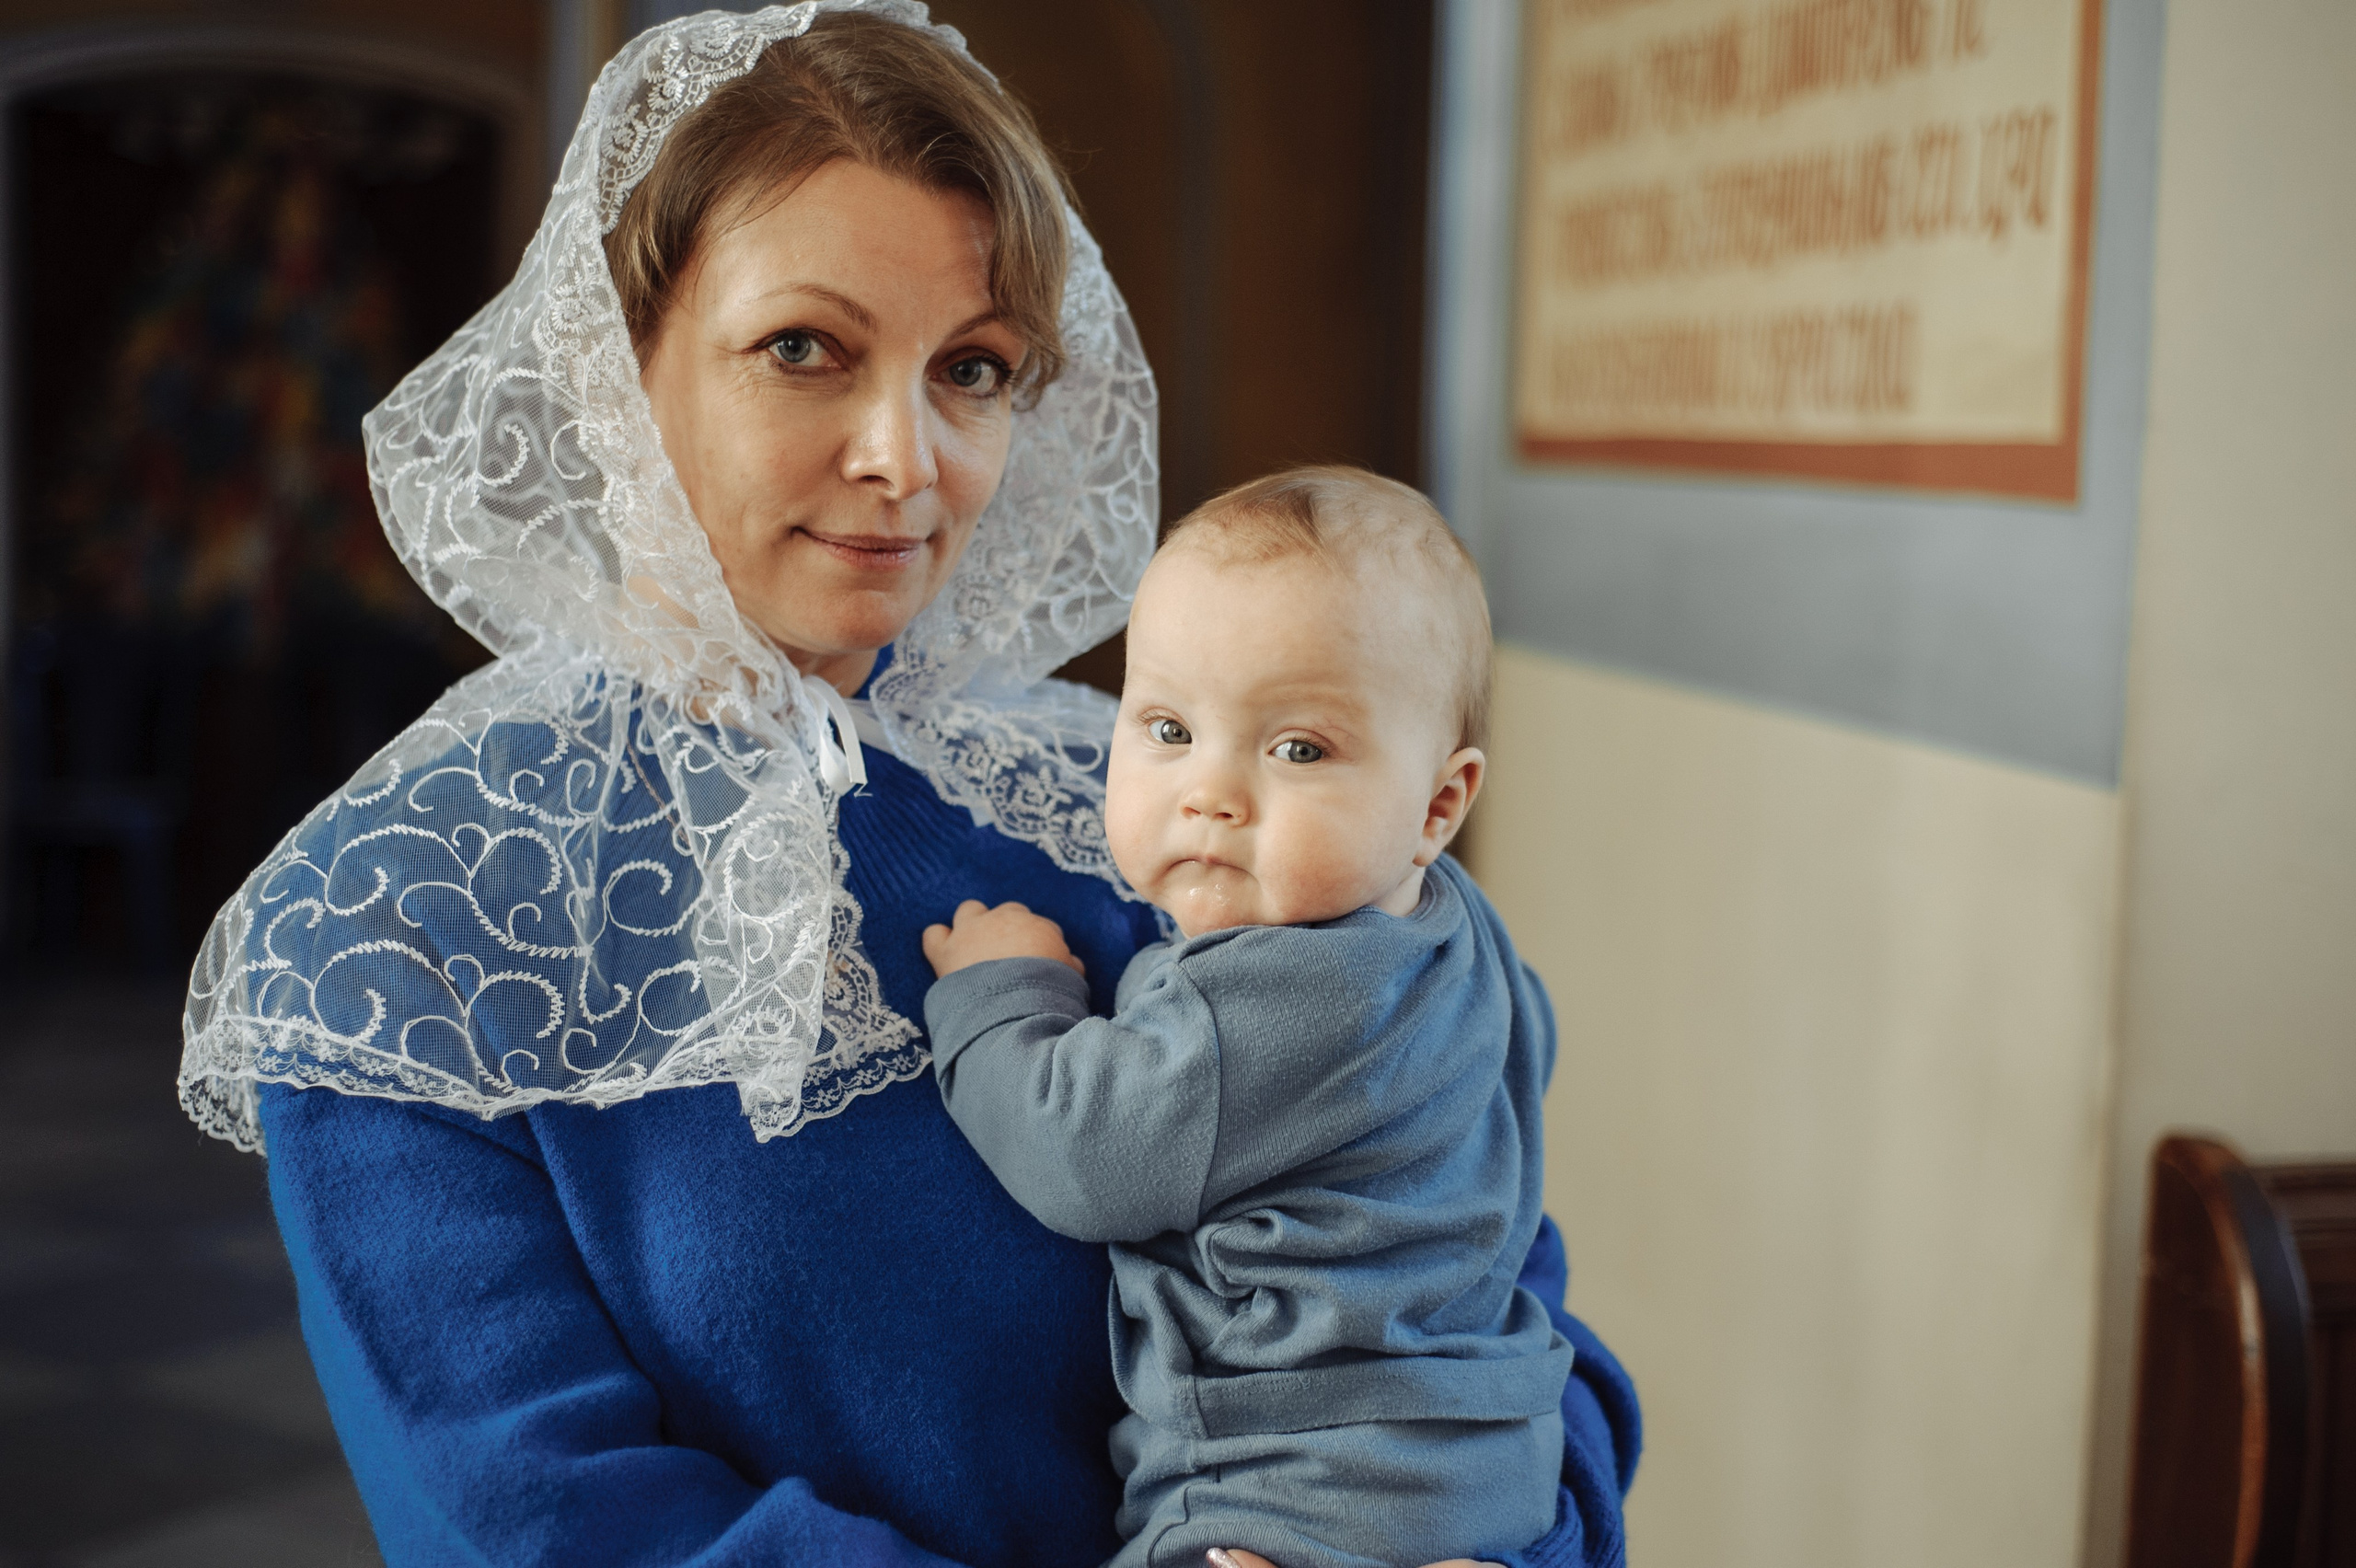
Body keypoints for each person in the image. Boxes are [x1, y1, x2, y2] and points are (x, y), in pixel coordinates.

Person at [171, 6, 1639, 1565]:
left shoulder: (1143, 793)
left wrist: (1514, 1538)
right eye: (804, 348)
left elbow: (1487, 1280)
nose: (908, 454)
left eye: (974, 367)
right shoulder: (400, 909)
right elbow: (540, 1516)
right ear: (616, 364)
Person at [923, 467, 1567, 1568]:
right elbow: (1527, 1060)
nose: (1210, 792)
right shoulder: (1467, 938)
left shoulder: (1255, 999)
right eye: (1168, 727)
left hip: (1276, 1492)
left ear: (1438, 804)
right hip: (1490, 1461)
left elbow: (1083, 1152)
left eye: (1297, 750)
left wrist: (1000, 997)